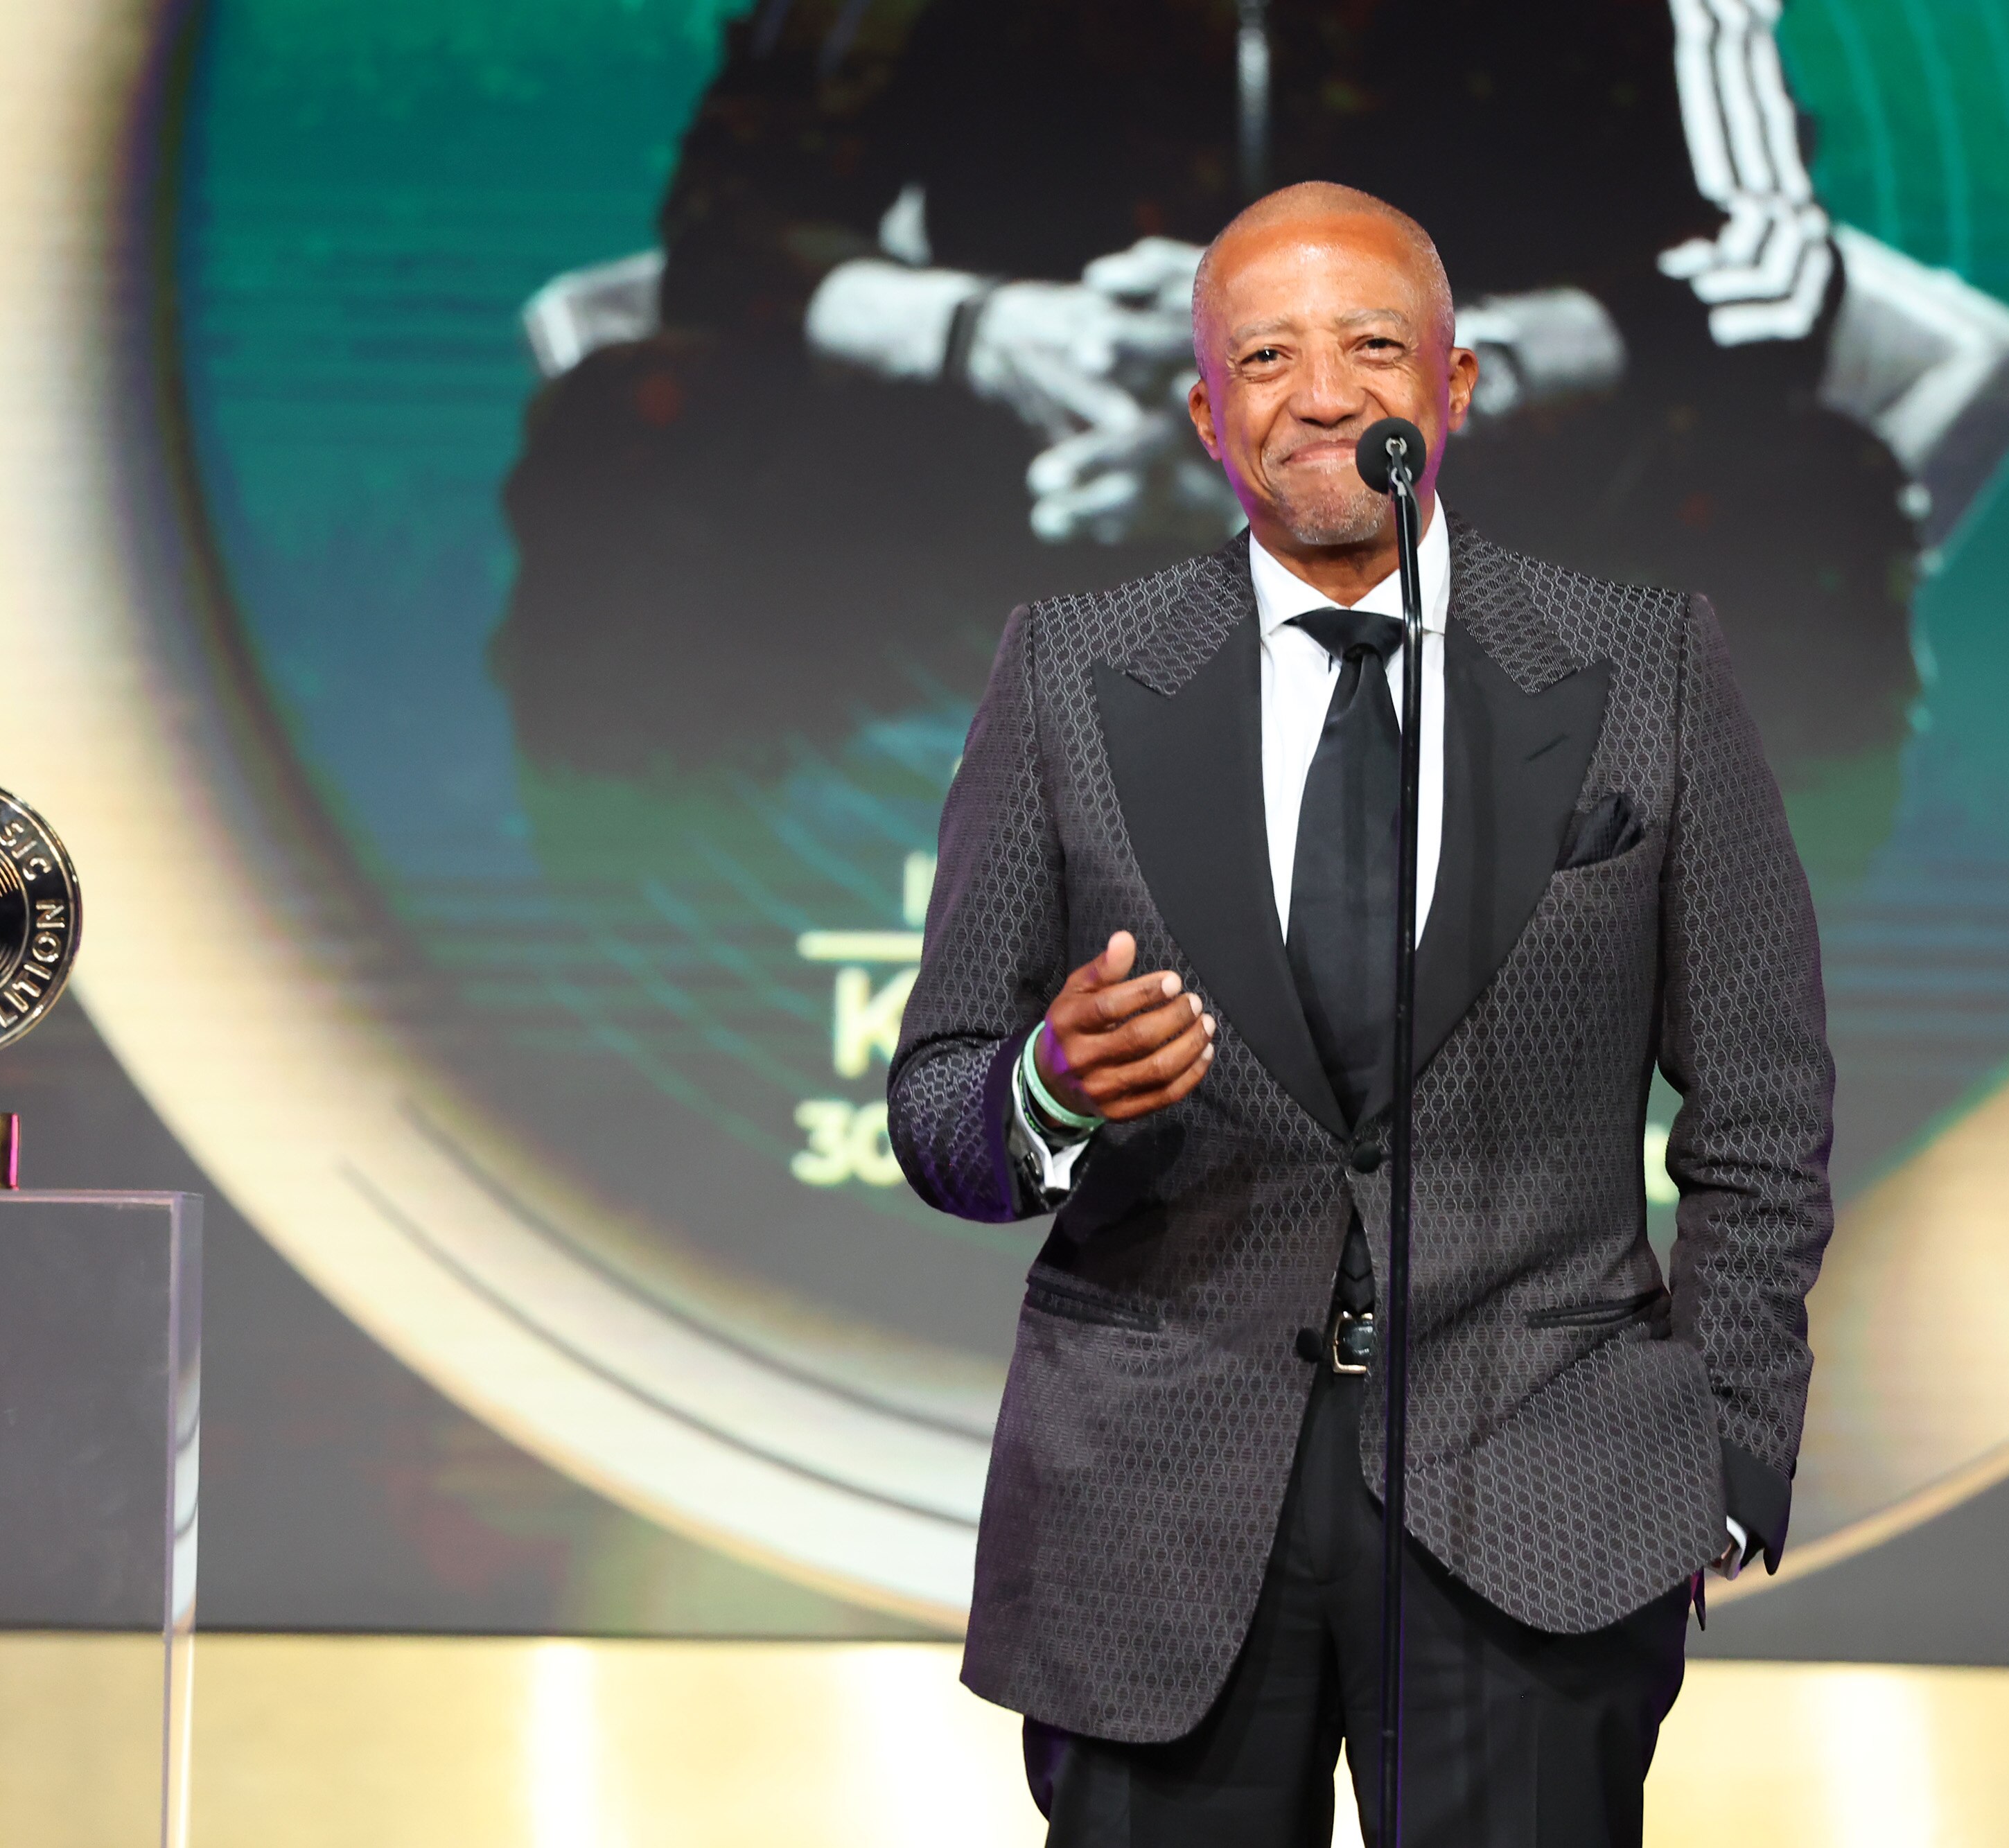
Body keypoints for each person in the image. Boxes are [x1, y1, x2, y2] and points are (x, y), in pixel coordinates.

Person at [888, 184, 1834, 1844]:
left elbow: (1759, 1106)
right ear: (1204, 413)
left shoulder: (1642, 665)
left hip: (1542, 1494)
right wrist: (1043, 1088)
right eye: (1265, 353)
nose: (1321, 393)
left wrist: (1727, 1438)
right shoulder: (1068, 673)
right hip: (1159, 1510)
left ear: (1454, 388)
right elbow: (937, 1106)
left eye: (1372, 345)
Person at [495, 0, 1931, 811]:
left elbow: (1767, 263)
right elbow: (731, 227)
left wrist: (1425, 367)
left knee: (1799, 491)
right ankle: (647, 1000)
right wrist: (992, 331)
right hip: (1039, 433)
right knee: (640, 443)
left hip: (1474, 460)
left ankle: (1740, 1078)